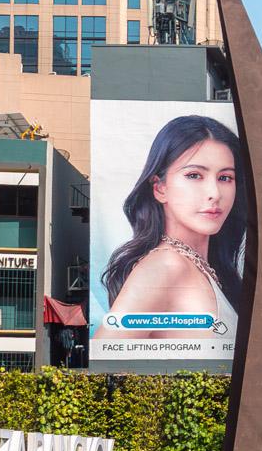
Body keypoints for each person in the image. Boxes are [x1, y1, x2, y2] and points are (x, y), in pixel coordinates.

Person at [99, 116, 249, 341]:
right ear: (160, 188)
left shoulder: (208, 269)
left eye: (225, 177)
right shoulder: (166, 266)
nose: (215, 193)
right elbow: (106, 354)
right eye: (194, 175)